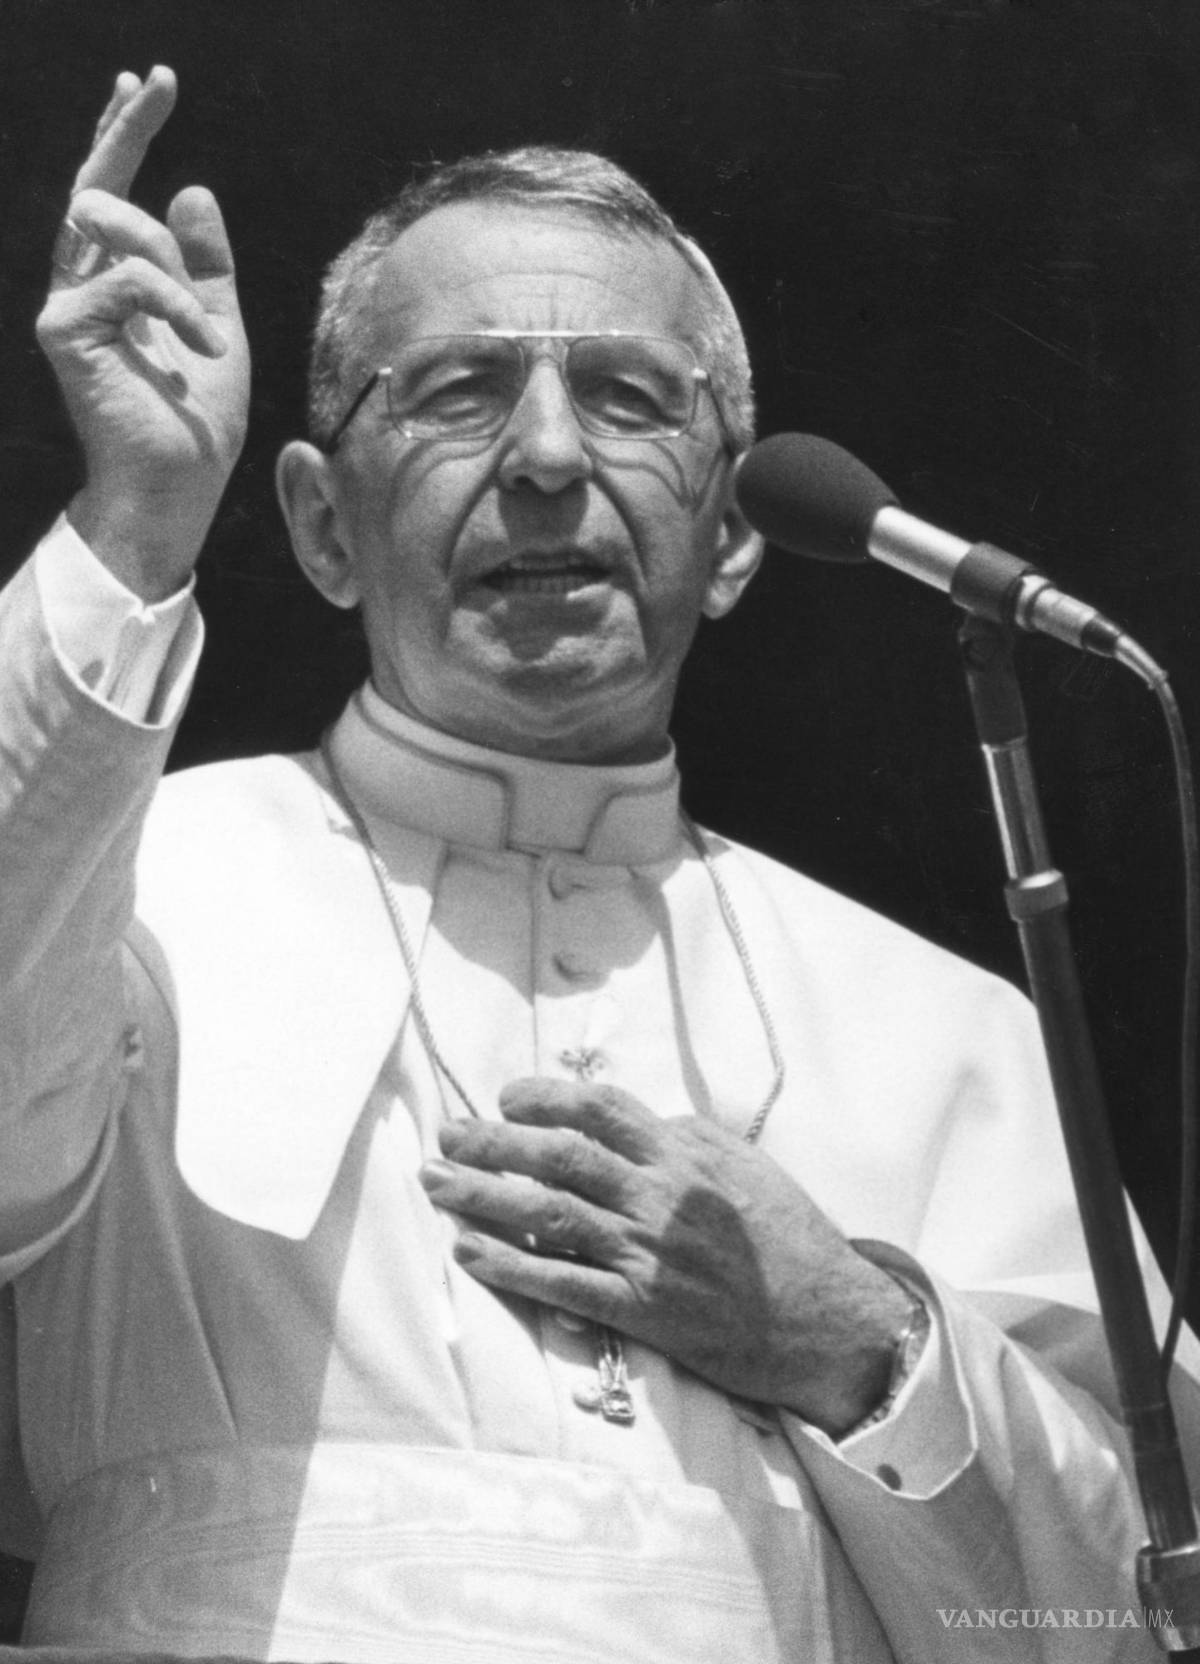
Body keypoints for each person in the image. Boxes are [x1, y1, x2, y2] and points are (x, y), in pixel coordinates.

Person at [0, 63, 1196, 1663]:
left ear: (738, 533)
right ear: (321, 524)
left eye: (631, 399)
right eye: (457, 392)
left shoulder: (952, 1030)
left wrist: (860, 1344)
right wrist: (133, 524)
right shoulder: (130, 879)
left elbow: (1111, 1618)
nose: (550, 456)